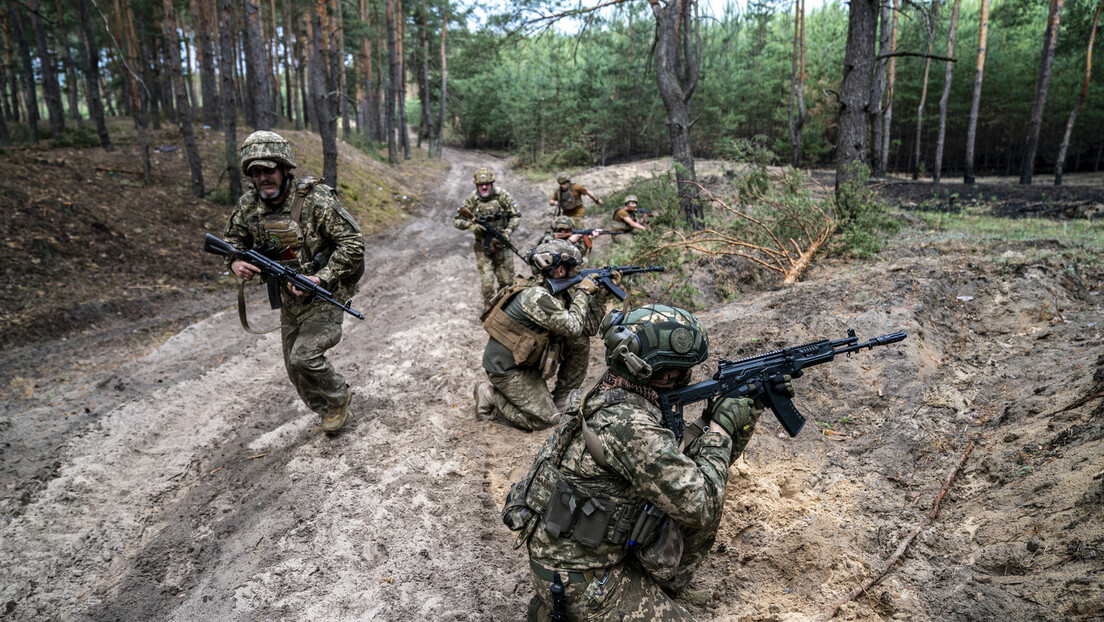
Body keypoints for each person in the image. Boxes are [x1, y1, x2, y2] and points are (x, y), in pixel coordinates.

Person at [502, 304, 779, 621]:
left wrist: (742, 412)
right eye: (684, 369)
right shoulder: (631, 427)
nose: (689, 377)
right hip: (582, 582)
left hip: (567, 557)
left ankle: (661, 586)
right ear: (665, 373)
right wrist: (720, 429)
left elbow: (677, 471)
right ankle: (572, 611)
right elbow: (703, 503)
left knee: (683, 485)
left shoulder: (606, 391)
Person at [222, 130, 365, 434]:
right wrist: (235, 262)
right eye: (256, 172)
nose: (263, 178)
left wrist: (321, 277)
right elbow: (232, 241)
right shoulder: (248, 207)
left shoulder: (316, 200)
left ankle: (339, 398)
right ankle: (326, 408)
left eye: (269, 170)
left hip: (324, 294)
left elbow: (353, 243)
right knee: (294, 368)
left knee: (304, 357)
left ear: (284, 168)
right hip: (289, 301)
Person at [473, 239, 613, 431]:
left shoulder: (557, 293)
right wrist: (582, 291)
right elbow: (573, 326)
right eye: (573, 269)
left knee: (579, 341)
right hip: (508, 370)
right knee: (546, 422)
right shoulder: (535, 296)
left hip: (527, 359)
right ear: (561, 271)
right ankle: (490, 395)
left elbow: (586, 329)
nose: (577, 274)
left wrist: (602, 293)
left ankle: (563, 398)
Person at [454, 167, 522, 307]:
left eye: (487, 184)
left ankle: (505, 309)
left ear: (492, 183)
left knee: (507, 282)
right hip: (482, 247)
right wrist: (471, 225)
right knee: (487, 285)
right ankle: (489, 310)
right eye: (480, 185)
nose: (484, 187)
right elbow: (457, 220)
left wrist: (507, 232)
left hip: (502, 245)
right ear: (476, 185)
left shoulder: (502, 196)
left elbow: (516, 216)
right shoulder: (472, 199)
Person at [536, 215, 601, 265]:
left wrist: (587, 239)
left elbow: (580, 255)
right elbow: (549, 253)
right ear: (556, 229)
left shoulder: (571, 237)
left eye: (567, 230)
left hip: (563, 265)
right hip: (551, 266)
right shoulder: (549, 238)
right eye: (561, 229)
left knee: (583, 261)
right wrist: (569, 241)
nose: (563, 231)